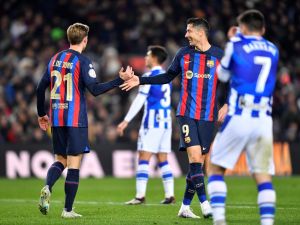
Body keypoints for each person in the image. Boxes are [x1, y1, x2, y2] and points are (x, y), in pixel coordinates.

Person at [120, 18, 227, 219]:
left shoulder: (219, 56)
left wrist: (228, 103)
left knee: (198, 165)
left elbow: (231, 82)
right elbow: (166, 77)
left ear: (200, 33)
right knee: (195, 158)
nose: (186, 35)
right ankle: (205, 204)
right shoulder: (183, 54)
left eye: (189, 31)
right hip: (186, 113)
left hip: (208, 117)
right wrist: (140, 80)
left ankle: (185, 207)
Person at [36, 22, 132, 218]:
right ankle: (67, 210)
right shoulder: (84, 61)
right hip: (75, 119)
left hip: (56, 117)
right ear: (85, 40)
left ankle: (47, 186)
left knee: (59, 159)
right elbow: (95, 90)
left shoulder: (54, 58)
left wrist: (41, 114)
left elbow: (40, 88)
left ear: (69, 38)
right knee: (74, 162)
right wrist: (119, 80)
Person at [207, 10, 279, 225]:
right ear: (263, 29)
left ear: (243, 28)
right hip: (264, 119)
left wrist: (234, 39)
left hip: (240, 114)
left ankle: (220, 220)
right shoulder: (273, 49)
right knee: (263, 176)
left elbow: (223, 75)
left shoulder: (235, 45)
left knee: (215, 167)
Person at [117, 45, 175, 205]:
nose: (145, 58)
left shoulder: (149, 76)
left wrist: (126, 121)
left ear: (155, 58)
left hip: (153, 121)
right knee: (163, 158)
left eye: (148, 55)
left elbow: (140, 100)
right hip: (166, 123)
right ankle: (170, 195)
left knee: (144, 157)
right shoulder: (167, 77)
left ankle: (140, 196)